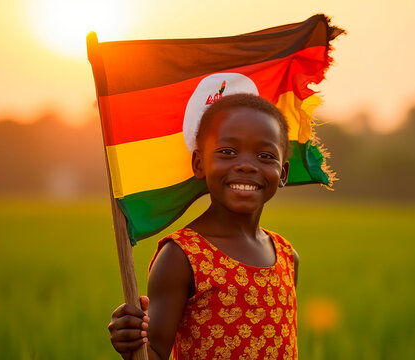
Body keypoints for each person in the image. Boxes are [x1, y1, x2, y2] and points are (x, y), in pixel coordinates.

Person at [108, 93, 300, 360]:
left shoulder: (287, 255)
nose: (246, 165)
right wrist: (131, 343)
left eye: (265, 155)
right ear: (199, 164)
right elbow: (154, 353)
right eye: (227, 152)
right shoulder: (181, 256)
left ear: (283, 174)